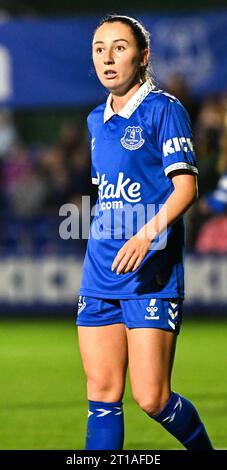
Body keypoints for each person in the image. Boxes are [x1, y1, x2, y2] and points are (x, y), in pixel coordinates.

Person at [75, 14, 213, 450]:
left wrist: (144, 235)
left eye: (119, 47)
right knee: (101, 394)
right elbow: (109, 194)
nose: (107, 57)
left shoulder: (164, 110)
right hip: (100, 269)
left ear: (143, 56)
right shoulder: (96, 119)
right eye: (99, 48)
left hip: (150, 270)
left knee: (152, 398)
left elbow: (186, 188)